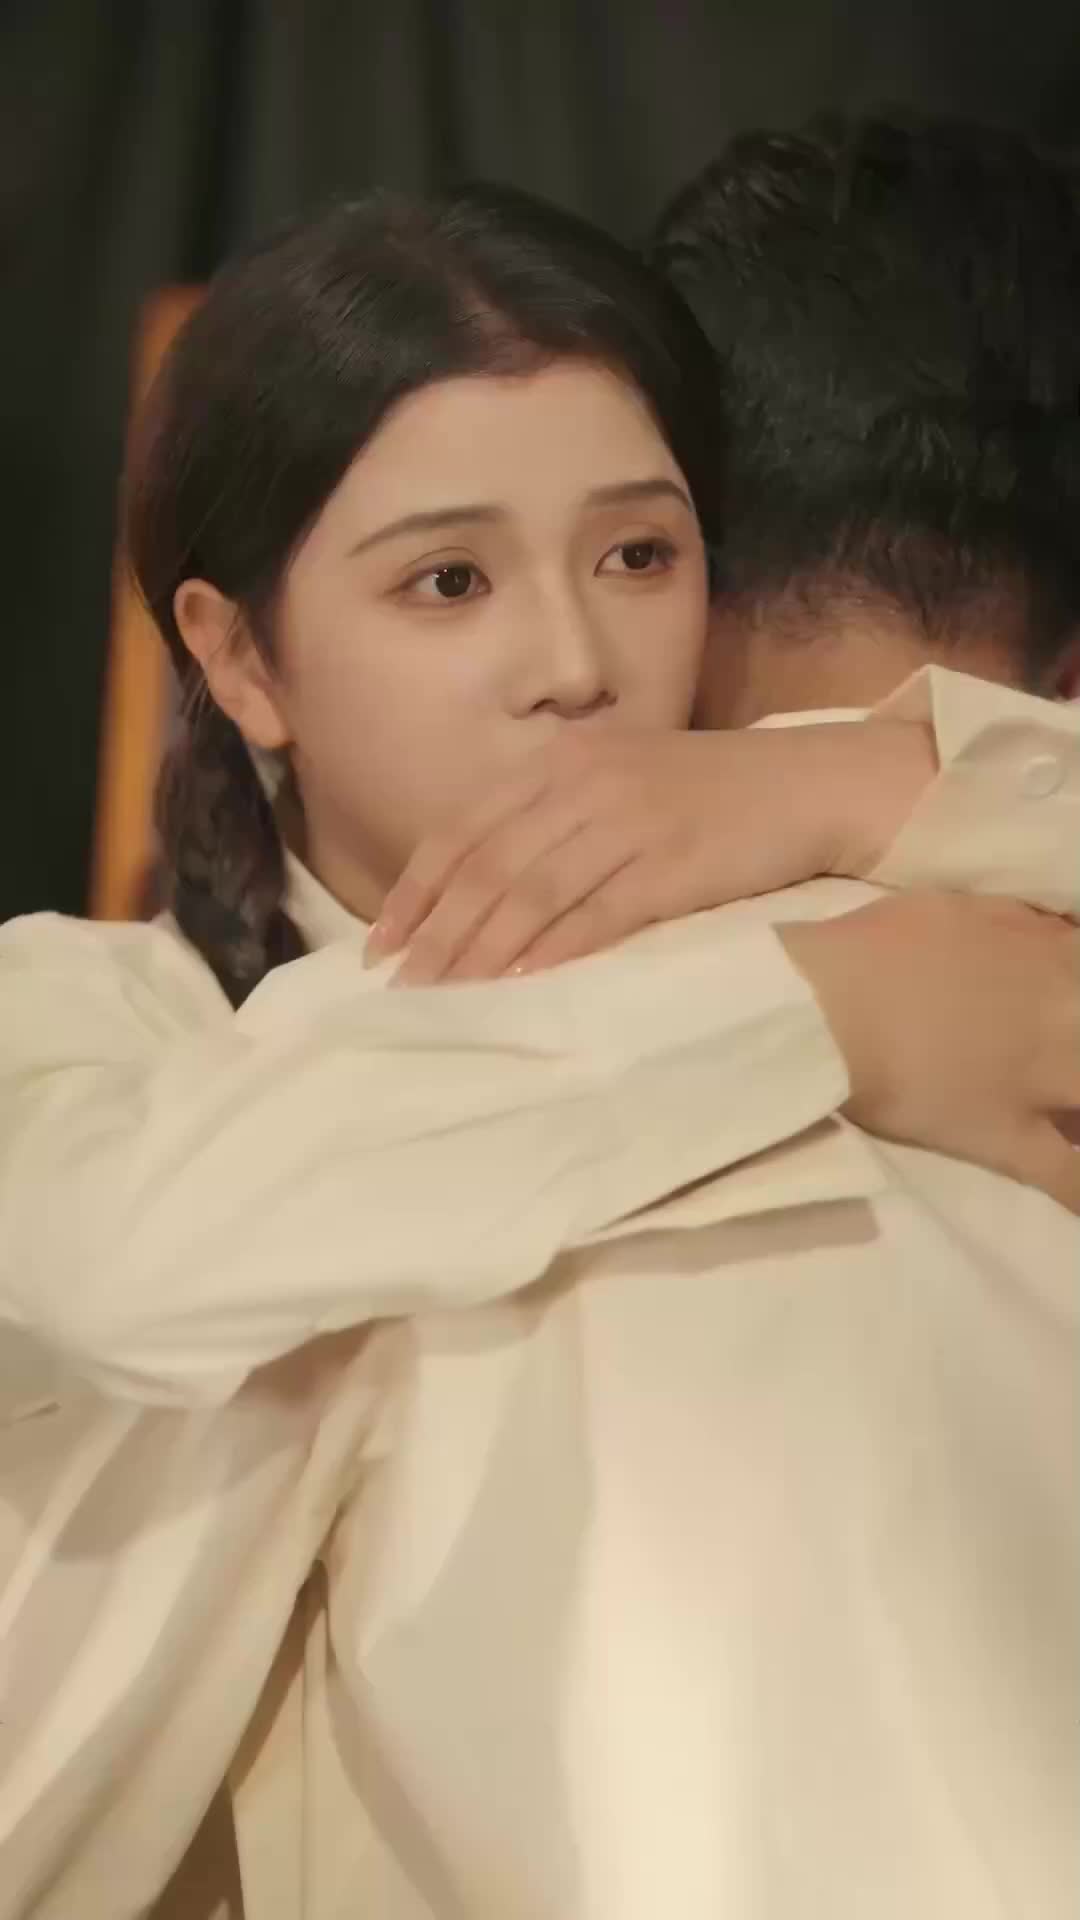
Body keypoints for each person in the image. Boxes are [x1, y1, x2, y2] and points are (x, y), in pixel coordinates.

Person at [0, 176, 1075, 1919]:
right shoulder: (82, 1023)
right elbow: (141, 1256)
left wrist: (848, 781)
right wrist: (828, 1008)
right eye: (449, 582)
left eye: (640, 556)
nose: (575, 665)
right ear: (240, 659)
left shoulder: (892, 886)